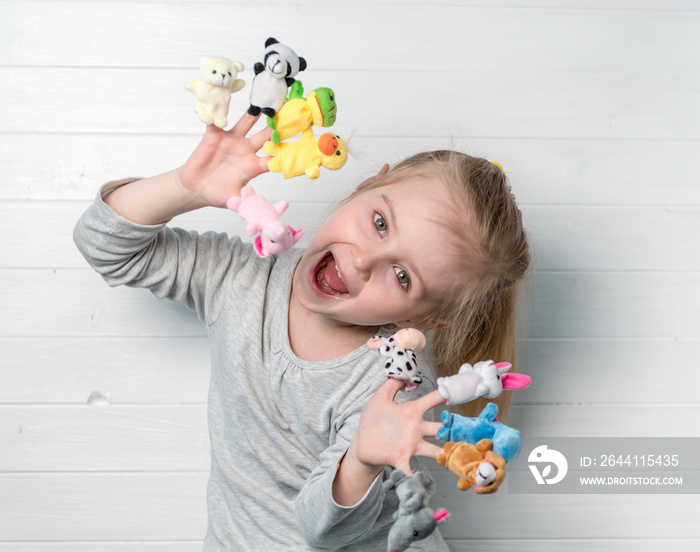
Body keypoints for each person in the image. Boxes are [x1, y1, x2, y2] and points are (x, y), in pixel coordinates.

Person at [73, 112, 530, 551]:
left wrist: (362, 458)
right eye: (378, 223)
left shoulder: (395, 389)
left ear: (428, 320)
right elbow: (105, 246)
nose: (362, 261)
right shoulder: (242, 276)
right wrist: (184, 187)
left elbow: (323, 532)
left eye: (403, 276)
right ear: (366, 185)